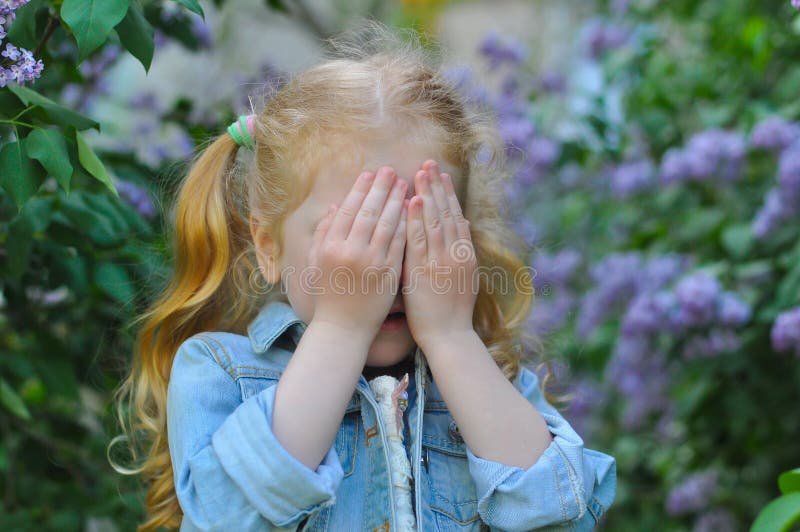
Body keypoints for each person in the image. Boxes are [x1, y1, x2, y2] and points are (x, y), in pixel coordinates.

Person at [109, 19, 616, 532]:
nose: (384, 270)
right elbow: (227, 518)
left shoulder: (492, 382)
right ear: (268, 245)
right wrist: (341, 330)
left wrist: (451, 338)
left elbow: (559, 515)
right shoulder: (222, 373)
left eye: (419, 230)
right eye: (358, 233)